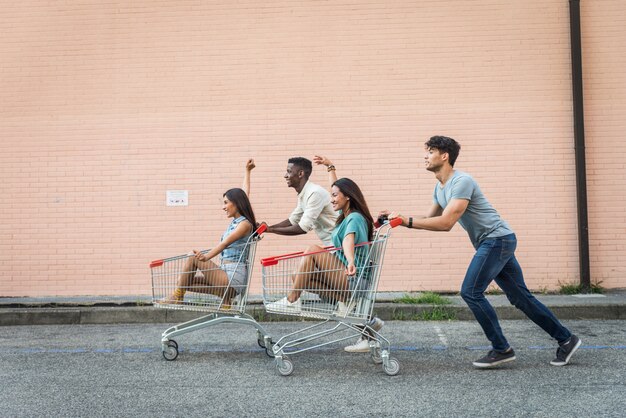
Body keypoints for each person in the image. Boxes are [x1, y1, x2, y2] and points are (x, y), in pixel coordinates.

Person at [382, 135, 581, 368]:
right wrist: (398, 217)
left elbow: (446, 223)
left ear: (444, 156)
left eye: (430, 151)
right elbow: (430, 218)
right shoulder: (440, 187)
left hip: (497, 240)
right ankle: (566, 339)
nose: (425, 156)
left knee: (470, 292)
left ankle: (501, 348)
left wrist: (408, 221)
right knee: (520, 298)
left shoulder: (462, 181)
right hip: (495, 241)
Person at [160, 159, 257, 306]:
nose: (223, 207)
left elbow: (224, 244)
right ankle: (225, 300)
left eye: (226, 203)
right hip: (224, 275)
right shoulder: (237, 221)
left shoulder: (244, 224)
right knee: (183, 281)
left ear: (237, 203)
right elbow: (245, 194)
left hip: (232, 279)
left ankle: (177, 297)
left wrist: (205, 258)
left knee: (193, 257)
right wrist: (247, 171)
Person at [265, 157, 338, 246]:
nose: (285, 175)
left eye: (289, 171)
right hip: (331, 245)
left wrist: (270, 230)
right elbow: (292, 221)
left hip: (339, 246)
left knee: (310, 253)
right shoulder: (304, 194)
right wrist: (267, 228)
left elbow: (302, 228)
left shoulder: (314, 194)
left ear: (300, 174)